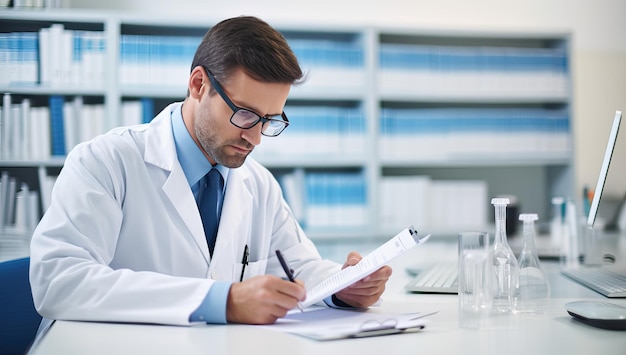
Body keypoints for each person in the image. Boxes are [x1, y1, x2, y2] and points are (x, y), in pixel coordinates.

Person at [29, 15, 392, 332]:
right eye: (246, 114)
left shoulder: (259, 184)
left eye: (269, 120)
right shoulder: (105, 161)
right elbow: (59, 280)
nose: (255, 138)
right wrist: (222, 300)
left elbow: (297, 268)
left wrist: (341, 287)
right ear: (199, 85)